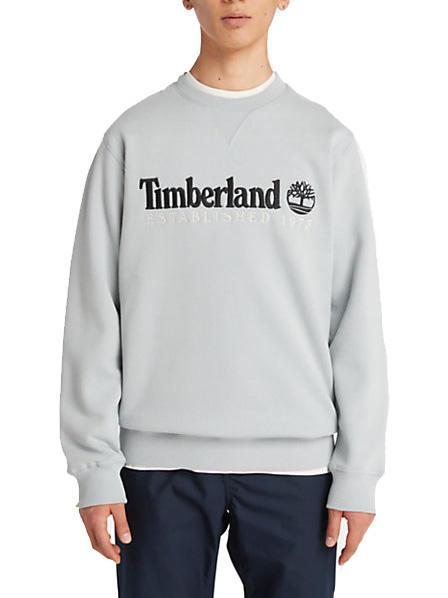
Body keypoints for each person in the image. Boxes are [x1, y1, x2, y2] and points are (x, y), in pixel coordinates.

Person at [60, 1, 389, 596]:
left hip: (298, 469)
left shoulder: (325, 143)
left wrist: (358, 471)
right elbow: (94, 307)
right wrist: (94, 467)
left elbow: (355, 315)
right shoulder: (134, 137)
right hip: (156, 467)